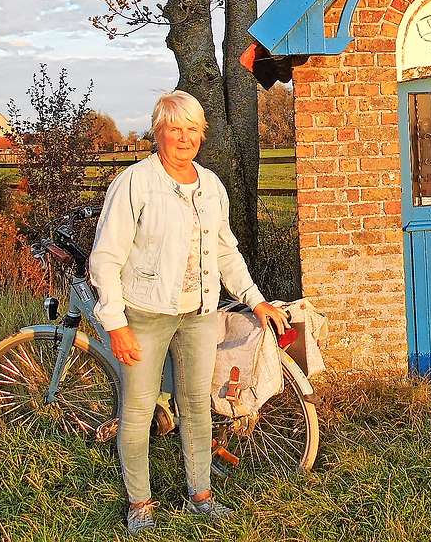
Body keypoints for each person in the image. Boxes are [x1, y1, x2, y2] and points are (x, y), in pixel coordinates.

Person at [89, 90, 289, 535]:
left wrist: (255, 299)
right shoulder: (135, 184)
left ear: (202, 134)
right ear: (158, 133)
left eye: (192, 130)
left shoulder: (211, 186)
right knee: (139, 410)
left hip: (199, 313)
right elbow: (106, 257)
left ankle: (200, 493)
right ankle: (139, 501)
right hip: (145, 314)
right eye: (174, 129)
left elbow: (225, 250)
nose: (184, 138)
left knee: (198, 405)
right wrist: (116, 323)